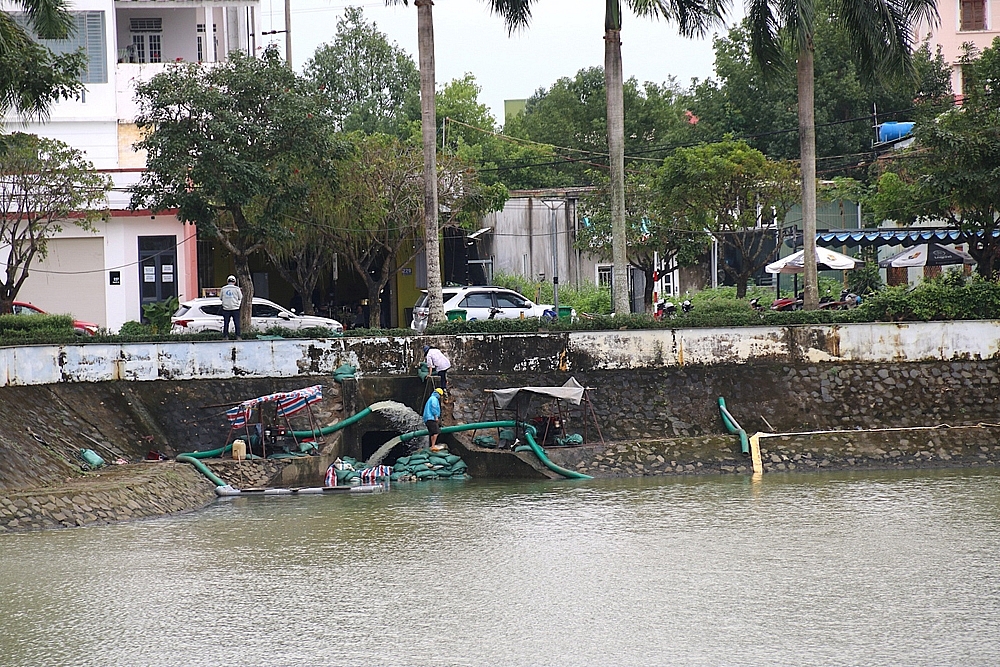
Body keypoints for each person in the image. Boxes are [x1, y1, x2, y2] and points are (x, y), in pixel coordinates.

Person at [220, 275, 243, 340]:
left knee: (226, 323)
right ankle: (238, 336)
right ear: (235, 282)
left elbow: (220, 298)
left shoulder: (223, 289)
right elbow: (240, 298)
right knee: (237, 323)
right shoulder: (237, 289)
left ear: (227, 281)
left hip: (226, 309)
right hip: (235, 308)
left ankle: (225, 336)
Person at [423, 387, 444, 451]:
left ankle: (432, 445)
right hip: (431, 418)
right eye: (440, 395)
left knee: (432, 433)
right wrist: (436, 417)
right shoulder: (434, 399)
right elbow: (434, 407)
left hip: (427, 418)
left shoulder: (430, 398)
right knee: (436, 432)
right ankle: (433, 446)